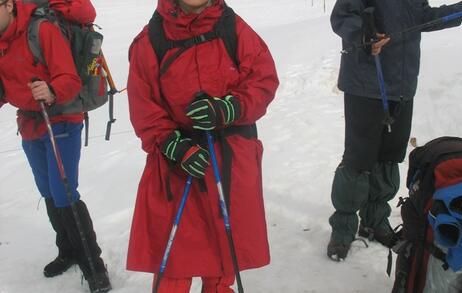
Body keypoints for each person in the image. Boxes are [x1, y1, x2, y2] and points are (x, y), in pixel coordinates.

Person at [126, 0, 279, 291]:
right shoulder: (152, 38)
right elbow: (143, 105)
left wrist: (229, 108)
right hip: (177, 164)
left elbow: (263, 80)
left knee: (222, 257)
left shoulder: (232, 28)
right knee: (174, 263)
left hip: (228, 159)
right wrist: (173, 145)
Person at [327, 0, 462, 261]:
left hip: (402, 84)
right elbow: (343, 16)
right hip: (366, 83)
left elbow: (424, 16)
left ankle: (375, 221)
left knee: (389, 156)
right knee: (359, 159)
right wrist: (363, 34)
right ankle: (343, 230)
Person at [0, 0, 111, 291]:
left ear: (10, 5)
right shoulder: (1, 41)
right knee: (48, 190)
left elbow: (69, 79)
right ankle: (68, 250)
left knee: (63, 191)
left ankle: (94, 266)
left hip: (61, 117)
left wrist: (50, 90)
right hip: (29, 122)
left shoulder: (42, 30)